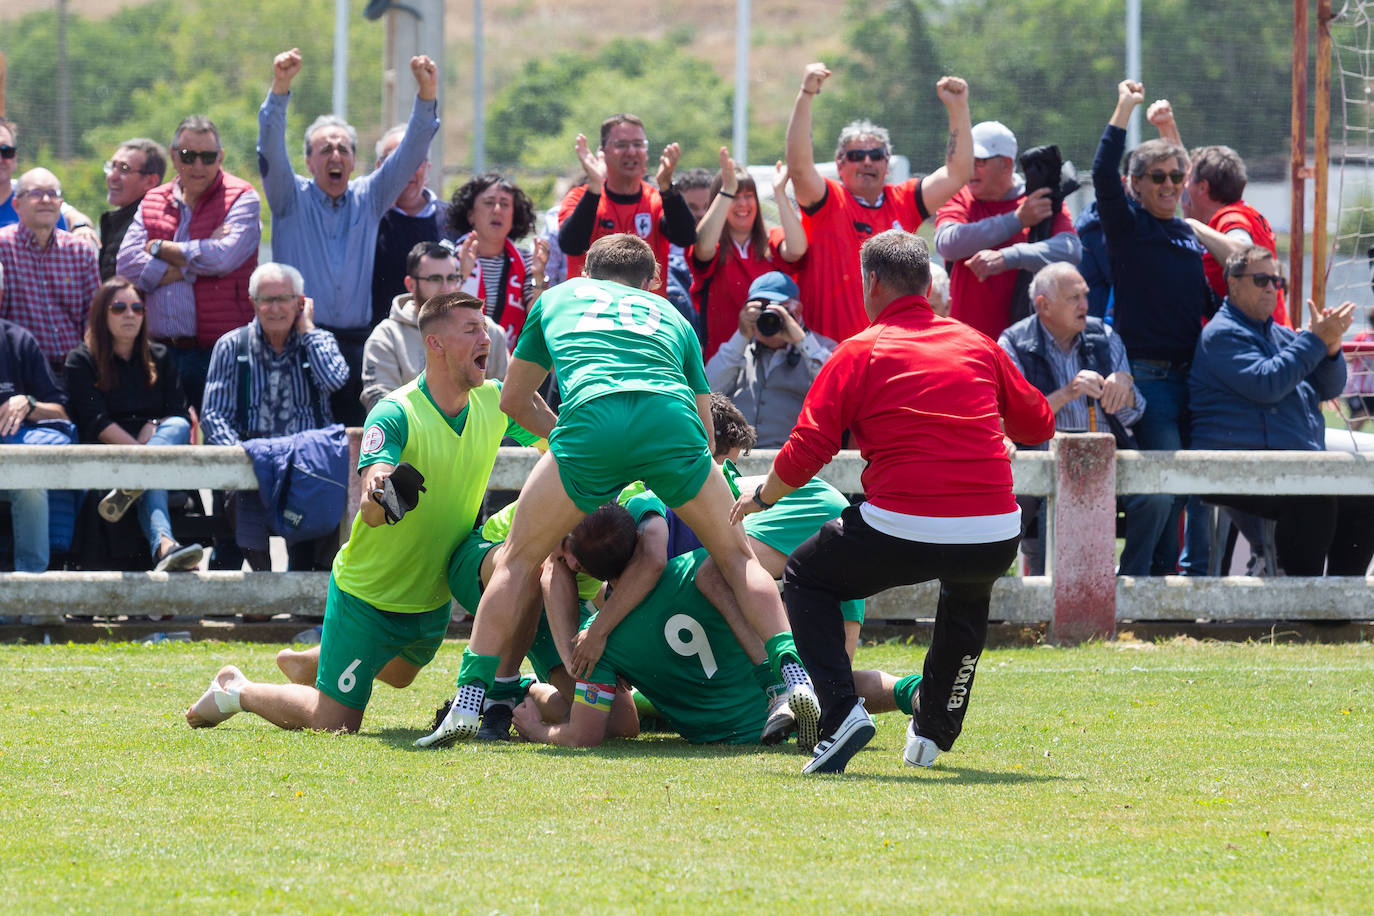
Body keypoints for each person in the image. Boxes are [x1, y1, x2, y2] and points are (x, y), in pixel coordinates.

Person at [420, 234, 819, 749]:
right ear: (651, 282)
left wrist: (583, 447)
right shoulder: (670, 314)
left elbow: (514, 401)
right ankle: (790, 680)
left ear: (585, 273)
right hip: (669, 421)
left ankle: (471, 698)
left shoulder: (558, 297)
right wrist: (664, 466)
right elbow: (705, 429)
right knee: (737, 558)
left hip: (592, 421)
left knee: (518, 560)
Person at [731, 229, 1055, 774]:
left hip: (900, 524)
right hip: (994, 531)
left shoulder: (860, 350)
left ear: (870, 283)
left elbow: (810, 446)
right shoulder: (978, 344)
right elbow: (1039, 420)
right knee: (966, 598)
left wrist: (762, 495)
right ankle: (931, 735)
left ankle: (839, 715)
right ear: (928, 284)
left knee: (808, 578)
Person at [185, 291, 540, 733]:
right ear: (435, 343)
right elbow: (373, 495)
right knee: (334, 722)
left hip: (429, 598)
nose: (484, 336)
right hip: (369, 596)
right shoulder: (395, 412)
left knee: (401, 674)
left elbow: (559, 438)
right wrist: (383, 494)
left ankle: (315, 662)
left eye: (484, 327)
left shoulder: (497, 400)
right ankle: (235, 689)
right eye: (470, 329)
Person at [511, 504, 921, 749]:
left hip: (722, 733)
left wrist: (537, 729)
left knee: (639, 710)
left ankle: (521, 690)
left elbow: (586, 735)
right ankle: (912, 691)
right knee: (827, 679)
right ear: (642, 535)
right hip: (771, 690)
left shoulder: (599, 642)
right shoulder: (701, 564)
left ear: (583, 567)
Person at [257, 48, 440, 427]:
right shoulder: (287, 197)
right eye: (325, 149)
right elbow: (270, 149)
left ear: (354, 161)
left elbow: (409, 154)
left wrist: (426, 94)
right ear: (309, 162)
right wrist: (279, 89)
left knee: (357, 448)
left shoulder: (370, 198)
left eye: (343, 148)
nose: (335, 155)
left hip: (357, 345)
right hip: (296, 340)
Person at [1092, 79, 1218, 576]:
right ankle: (1135, 582)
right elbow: (1103, 172)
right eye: (1157, 177)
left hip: (1196, 378)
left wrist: (1170, 132)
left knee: (1186, 485)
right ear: (1137, 185)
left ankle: (1167, 586)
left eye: (1176, 177)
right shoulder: (1129, 229)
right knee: (1163, 481)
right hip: (1149, 377)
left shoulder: (1185, 232)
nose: (1168, 185)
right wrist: (1124, 106)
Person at [1189, 246, 1373, 575]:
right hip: (1235, 464)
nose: (1272, 288)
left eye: (1277, 281)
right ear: (1233, 283)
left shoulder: (1282, 335)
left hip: (1287, 461)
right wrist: (1316, 340)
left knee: (1365, 496)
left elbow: (1330, 388)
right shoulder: (1221, 335)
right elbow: (1268, 383)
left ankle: (1339, 603)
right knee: (1313, 499)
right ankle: (1303, 604)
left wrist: (1330, 349)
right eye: (1261, 280)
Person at [997, 263, 1171, 576]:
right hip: (1043, 458)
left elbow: (1136, 413)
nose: (1085, 305)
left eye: (1085, 296)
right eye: (1073, 298)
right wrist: (1067, 393)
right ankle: (1001, 591)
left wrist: (1125, 390)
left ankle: (1132, 583)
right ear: (1043, 305)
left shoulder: (1103, 335)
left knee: (1156, 498)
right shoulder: (1013, 343)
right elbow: (1014, 422)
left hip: (1108, 458)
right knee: (1012, 500)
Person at [784, 62, 973, 342]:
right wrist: (805, 94)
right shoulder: (829, 200)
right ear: (839, 164)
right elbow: (799, 168)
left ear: (887, 163)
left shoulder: (904, 199)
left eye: (876, 154)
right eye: (857, 156)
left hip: (888, 348)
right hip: (826, 351)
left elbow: (958, 174)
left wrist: (958, 108)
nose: (868, 161)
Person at [200, 263, 349, 571]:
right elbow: (213, 416)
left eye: (284, 299)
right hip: (251, 460)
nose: (275, 308)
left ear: (301, 302)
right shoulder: (231, 345)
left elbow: (335, 379)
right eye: (266, 300)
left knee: (323, 499)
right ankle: (260, 585)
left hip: (306, 464)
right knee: (241, 497)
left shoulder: (318, 341)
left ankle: (307, 597)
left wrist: (307, 330)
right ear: (254, 304)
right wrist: (242, 458)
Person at [117, 116, 261, 410]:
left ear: (220, 157)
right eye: (188, 155)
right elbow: (126, 265)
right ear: (173, 156)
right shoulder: (153, 199)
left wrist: (160, 248)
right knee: (165, 438)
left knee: (224, 439)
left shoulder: (242, 197)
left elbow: (223, 257)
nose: (198, 165)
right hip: (158, 349)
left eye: (208, 157)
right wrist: (194, 265)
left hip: (221, 349)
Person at [62, 278, 202, 572]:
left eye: (138, 308)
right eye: (119, 307)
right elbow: (95, 421)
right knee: (153, 474)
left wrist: (151, 428)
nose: (130, 314)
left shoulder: (160, 356)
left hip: (157, 447)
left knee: (177, 424)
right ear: (102, 313)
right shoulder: (80, 360)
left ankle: (137, 487)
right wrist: (141, 452)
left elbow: (178, 412)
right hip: (108, 456)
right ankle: (164, 543)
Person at [1146, 99, 1289, 327]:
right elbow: (1187, 173)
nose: (1179, 184)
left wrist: (1193, 226)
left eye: (1184, 179)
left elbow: (1246, 255)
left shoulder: (1231, 218)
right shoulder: (1239, 212)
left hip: (1254, 347)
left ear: (1202, 188)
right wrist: (1167, 127)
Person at [934, 121, 1079, 340]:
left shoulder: (1038, 198)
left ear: (1006, 165)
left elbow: (1071, 250)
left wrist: (1008, 257)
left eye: (979, 161)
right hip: (966, 343)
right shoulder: (960, 195)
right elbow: (947, 243)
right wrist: (1017, 220)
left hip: (1024, 349)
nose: (970, 169)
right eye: (967, 160)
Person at [556, 114, 696, 296]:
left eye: (638, 144)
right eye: (621, 145)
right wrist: (595, 187)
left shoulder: (657, 200)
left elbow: (686, 237)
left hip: (643, 317)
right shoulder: (580, 197)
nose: (631, 152)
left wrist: (667, 188)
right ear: (603, 152)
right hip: (590, 315)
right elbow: (571, 245)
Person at [361, 241, 508, 411]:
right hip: (413, 436)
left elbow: (508, 401)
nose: (446, 289)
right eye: (435, 279)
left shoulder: (490, 332)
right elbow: (382, 409)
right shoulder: (386, 338)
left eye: (452, 278)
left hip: (483, 436)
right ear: (410, 285)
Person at [691, 149, 807, 361]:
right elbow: (701, 247)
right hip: (724, 362)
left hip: (774, 365)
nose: (743, 204)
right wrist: (727, 190)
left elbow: (797, 249)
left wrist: (780, 192)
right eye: (734, 197)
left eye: (748, 196)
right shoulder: (713, 248)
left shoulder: (772, 242)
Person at [705, 271, 834, 448]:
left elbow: (836, 390)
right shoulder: (739, 350)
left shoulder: (820, 349)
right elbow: (707, 391)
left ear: (795, 312)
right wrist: (741, 336)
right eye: (761, 310)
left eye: (776, 310)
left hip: (792, 462)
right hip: (740, 458)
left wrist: (801, 340)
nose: (768, 319)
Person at [0, 168, 100, 376]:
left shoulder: (80, 251)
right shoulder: (2, 248)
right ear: (16, 205)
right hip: (19, 371)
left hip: (75, 369)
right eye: (35, 193)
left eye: (53, 194)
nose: (46, 199)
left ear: (61, 204)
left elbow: (94, 317)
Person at [0, 309, 72, 574]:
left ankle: (32, 595)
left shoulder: (19, 341)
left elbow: (61, 412)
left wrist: (28, 404)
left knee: (29, 481)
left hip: (13, 465)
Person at [446, 173, 549, 348]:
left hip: (509, 366)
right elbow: (438, 314)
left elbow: (536, 323)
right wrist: (462, 275)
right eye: (489, 203)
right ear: (470, 215)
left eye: (505, 204)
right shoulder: (449, 257)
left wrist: (539, 277)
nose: (497, 210)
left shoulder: (526, 261)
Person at [369, 124, 449, 330]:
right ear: (379, 167)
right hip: (381, 343)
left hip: (443, 342)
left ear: (428, 167)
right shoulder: (366, 219)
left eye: (414, 160)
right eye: (395, 159)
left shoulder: (454, 219)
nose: (405, 169)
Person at [98, 139, 166, 282]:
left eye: (124, 169)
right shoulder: (115, 221)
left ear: (150, 181)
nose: (112, 176)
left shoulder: (156, 226)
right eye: (111, 166)